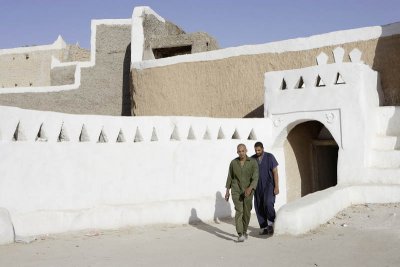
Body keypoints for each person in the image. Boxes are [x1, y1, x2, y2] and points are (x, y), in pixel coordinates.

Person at [225, 144, 259, 242]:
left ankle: (244, 231)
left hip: (248, 190)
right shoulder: (233, 163)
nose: (241, 153)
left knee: (247, 212)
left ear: (246, 150)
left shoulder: (253, 162)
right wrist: (227, 191)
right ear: (237, 152)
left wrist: (250, 188)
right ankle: (240, 233)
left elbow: (255, 177)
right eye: (239, 151)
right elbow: (230, 177)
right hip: (236, 190)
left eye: (243, 151)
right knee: (239, 210)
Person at [252, 141, 279, 235]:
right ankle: (264, 227)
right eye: (255, 150)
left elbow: (275, 172)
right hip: (257, 186)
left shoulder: (269, 157)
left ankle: (271, 223)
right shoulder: (252, 159)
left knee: (268, 203)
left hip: (269, 185)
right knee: (259, 205)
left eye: (259, 150)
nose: (257, 152)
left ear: (263, 149)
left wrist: (276, 186)